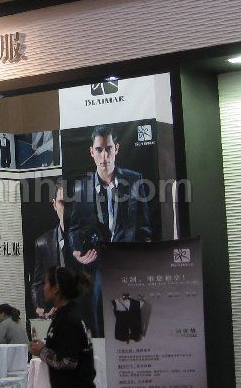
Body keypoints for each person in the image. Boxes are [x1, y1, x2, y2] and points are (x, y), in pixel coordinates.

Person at [67, 125, 152, 337]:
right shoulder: (82, 188)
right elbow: (74, 228)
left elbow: (144, 228)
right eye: (99, 150)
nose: (104, 155)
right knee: (99, 326)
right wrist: (77, 251)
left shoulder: (134, 180)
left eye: (108, 149)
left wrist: (141, 260)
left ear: (117, 149)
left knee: (131, 328)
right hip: (97, 267)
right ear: (91, 152)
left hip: (127, 265)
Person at [30, 266, 95, 388]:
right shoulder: (67, 313)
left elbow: (67, 361)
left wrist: (41, 351)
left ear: (56, 288)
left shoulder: (68, 319)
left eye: (46, 283)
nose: (43, 288)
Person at [31, 178, 73, 314]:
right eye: (62, 202)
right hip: (56, 312)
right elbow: (37, 283)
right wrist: (40, 307)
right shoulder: (43, 243)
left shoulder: (91, 239)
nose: (66, 208)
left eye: (71, 203)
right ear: (54, 204)